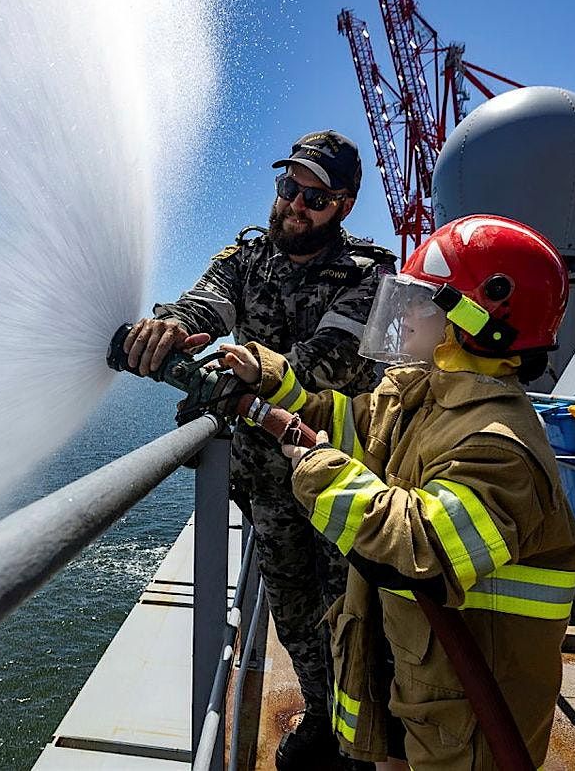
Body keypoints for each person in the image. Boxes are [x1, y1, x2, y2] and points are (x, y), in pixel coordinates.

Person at [219, 215, 575, 769]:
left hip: (473, 710)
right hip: (418, 673)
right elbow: (354, 423)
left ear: (475, 320)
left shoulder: (499, 445)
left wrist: (317, 469)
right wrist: (272, 378)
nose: (407, 315)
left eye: (422, 303)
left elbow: (420, 544)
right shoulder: (427, 393)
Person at [124, 131, 396, 769]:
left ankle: (367, 741)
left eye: (315, 197)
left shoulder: (367, 273)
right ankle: (324, 723)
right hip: (269, 486)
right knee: (294, 612)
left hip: (341, 477)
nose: (295, 205)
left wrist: (248, 380)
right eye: (288, 188)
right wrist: (173, 328)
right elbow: (204, 303)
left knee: (355, 617)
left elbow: (328, 362)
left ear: (344, 205)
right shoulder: (247, 258)